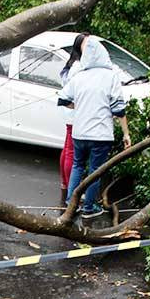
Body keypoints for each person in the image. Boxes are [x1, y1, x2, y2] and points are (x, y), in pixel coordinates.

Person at [57, 35, 131, 219]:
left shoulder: (79, 76)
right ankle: (88, 208)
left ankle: (70, 203)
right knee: (95, 172)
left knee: (77, 166)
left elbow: (63, 100)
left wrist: (79, 106)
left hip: (79, 132)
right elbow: (119, 109)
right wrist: (126, 134)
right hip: (100, 135)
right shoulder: (111, 76)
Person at [58, 33, 86, 205]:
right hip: (75, 113)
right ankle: (70, 188)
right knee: (72, 152)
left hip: (71, 113)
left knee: (67, 148)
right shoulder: (78, 67)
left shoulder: (72, 64)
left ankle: (64, 183)